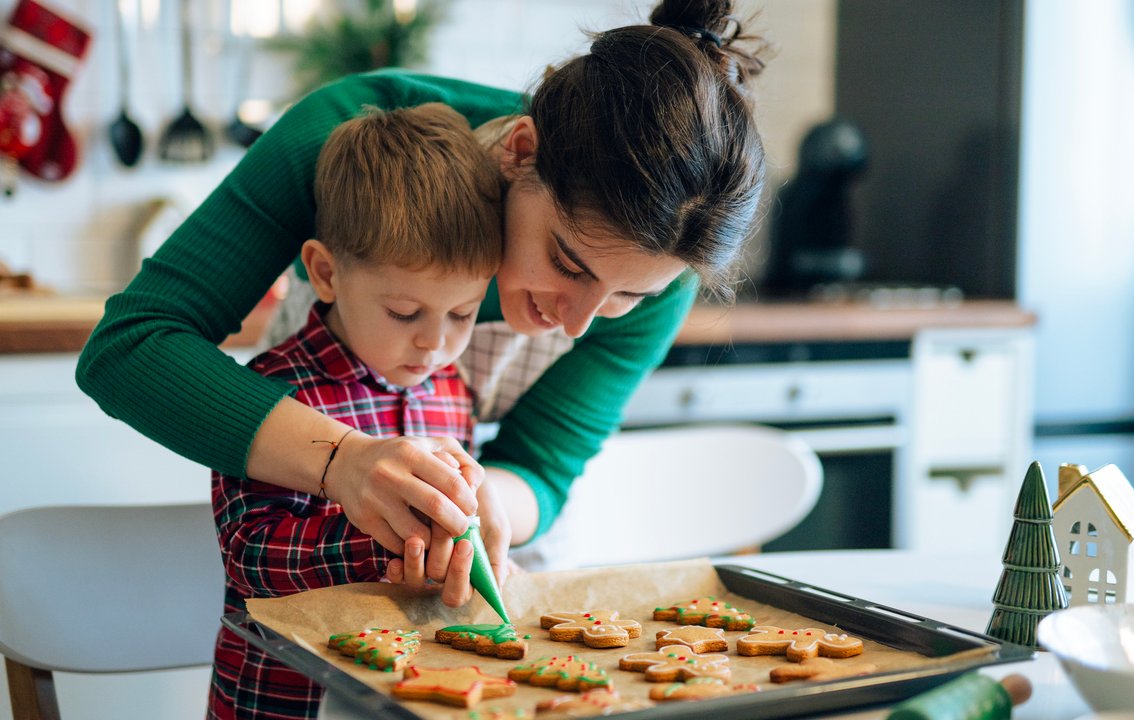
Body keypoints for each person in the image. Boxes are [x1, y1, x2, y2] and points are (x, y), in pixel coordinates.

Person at [76, 0, 768, 608]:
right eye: (567, 263)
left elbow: (545, 465)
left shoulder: (667, 252)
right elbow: (131, 348)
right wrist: (342, 461)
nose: (578, 321)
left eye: (628, 296)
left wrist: (473, 505)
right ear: (521, 151)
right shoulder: (347, 141)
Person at [209, 103, 502, 719]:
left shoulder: (451, 390)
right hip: (285, 702)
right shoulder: (274, 394)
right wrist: (387, 540)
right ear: (324, 272)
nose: (435, 342)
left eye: (462, 313)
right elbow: (251, 555)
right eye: (405, 313)